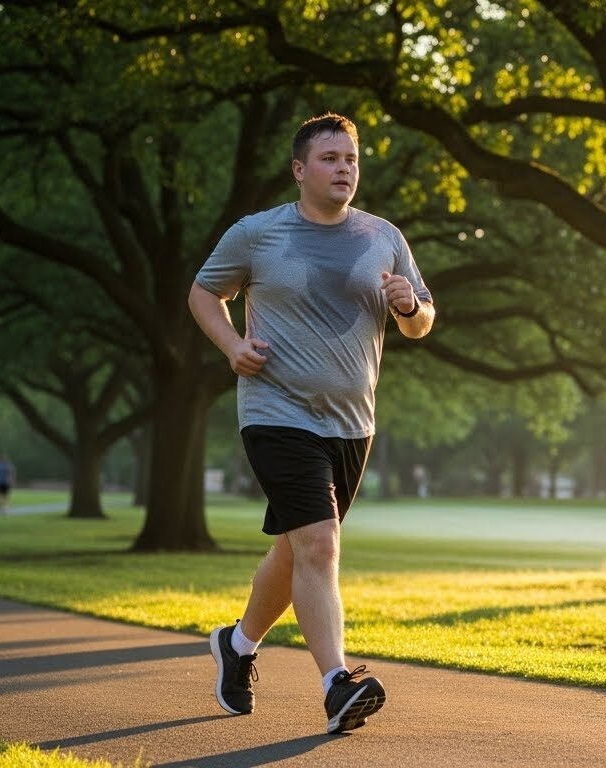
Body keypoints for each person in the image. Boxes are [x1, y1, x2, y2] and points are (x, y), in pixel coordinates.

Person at [188, 111, 434, 735]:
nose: (343, 169)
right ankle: (336, 684)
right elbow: (202, 292)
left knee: (296, 549)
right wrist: (230, 346)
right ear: (300, 170)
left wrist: (409, 306)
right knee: (320, 545)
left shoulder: (383, 237)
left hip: (352, 424)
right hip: (276, 412)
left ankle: (237, 647)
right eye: (329, 159)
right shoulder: (258, 234)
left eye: (350, 159)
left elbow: (421, 319)